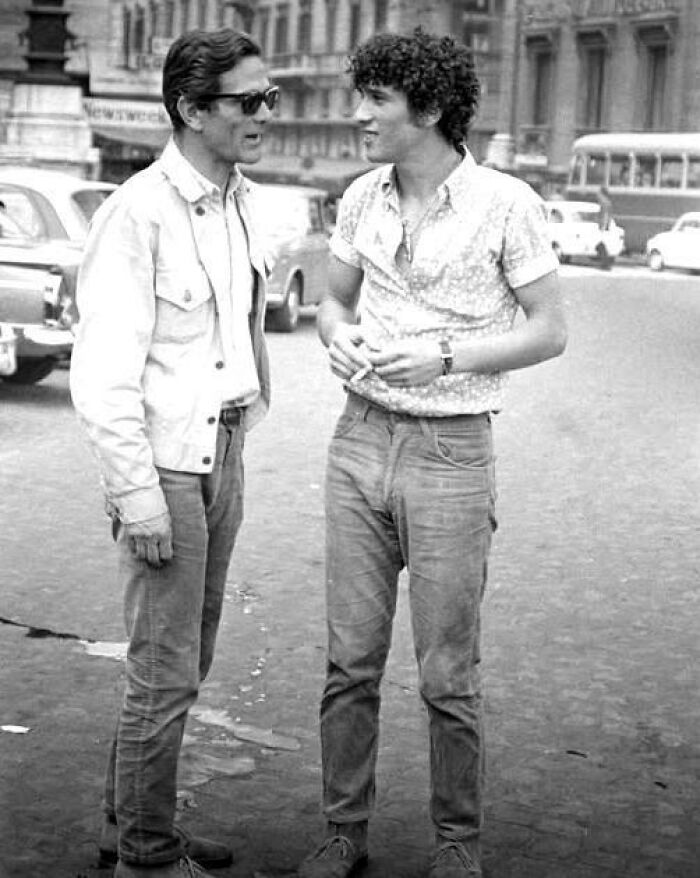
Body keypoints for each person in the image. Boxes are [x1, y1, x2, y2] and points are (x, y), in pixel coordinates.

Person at [298, 29, 567, 878]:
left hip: (453, 452)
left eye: (375, 99)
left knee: (448, 674)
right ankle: (344, 832)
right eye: (362, 95)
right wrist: (336, 342)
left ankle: (457, 847)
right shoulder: (360, 198)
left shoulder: (507, 204)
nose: (359, 114)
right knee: (349, 664)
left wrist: (448, 357)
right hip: (359, 437)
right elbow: (331, 308)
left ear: (432, 109)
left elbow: (548, 331)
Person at [70, 27, 276, 878]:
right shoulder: (138, 211)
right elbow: (103, 374)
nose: (266, 114)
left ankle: (134, 825)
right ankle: (149, 858)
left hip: (221, 449)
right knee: (164, 670)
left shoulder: (239, 199)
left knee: (186, 659)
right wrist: (139, 496)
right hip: (166, 465)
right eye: (247, 101)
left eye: (269, 97)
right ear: (191, 109)